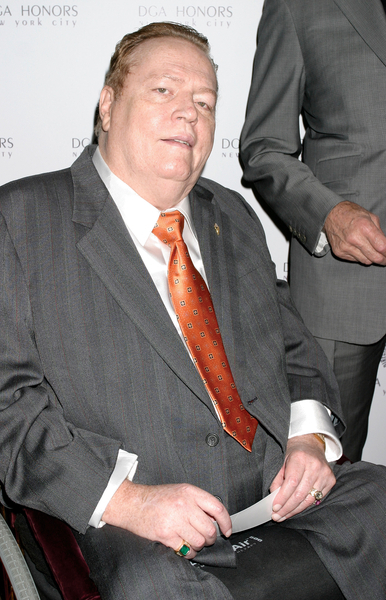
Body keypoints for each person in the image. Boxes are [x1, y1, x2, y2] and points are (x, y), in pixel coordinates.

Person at [0, 21, 386, 600]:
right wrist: (128, 500)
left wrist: (307, 439)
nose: (189, 113)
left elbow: (293, 346)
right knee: (152, 586)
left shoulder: (235, 216)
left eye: (205, 102)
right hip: (131, 522)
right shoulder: (11, 221)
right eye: (163, 90)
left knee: (378, 500)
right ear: (108, 106)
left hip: (275, 494)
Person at [239, 0, 386, 462]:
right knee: (328, 468)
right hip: (343, 284)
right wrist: (328, 214)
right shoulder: (297, 6)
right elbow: (264, 147)